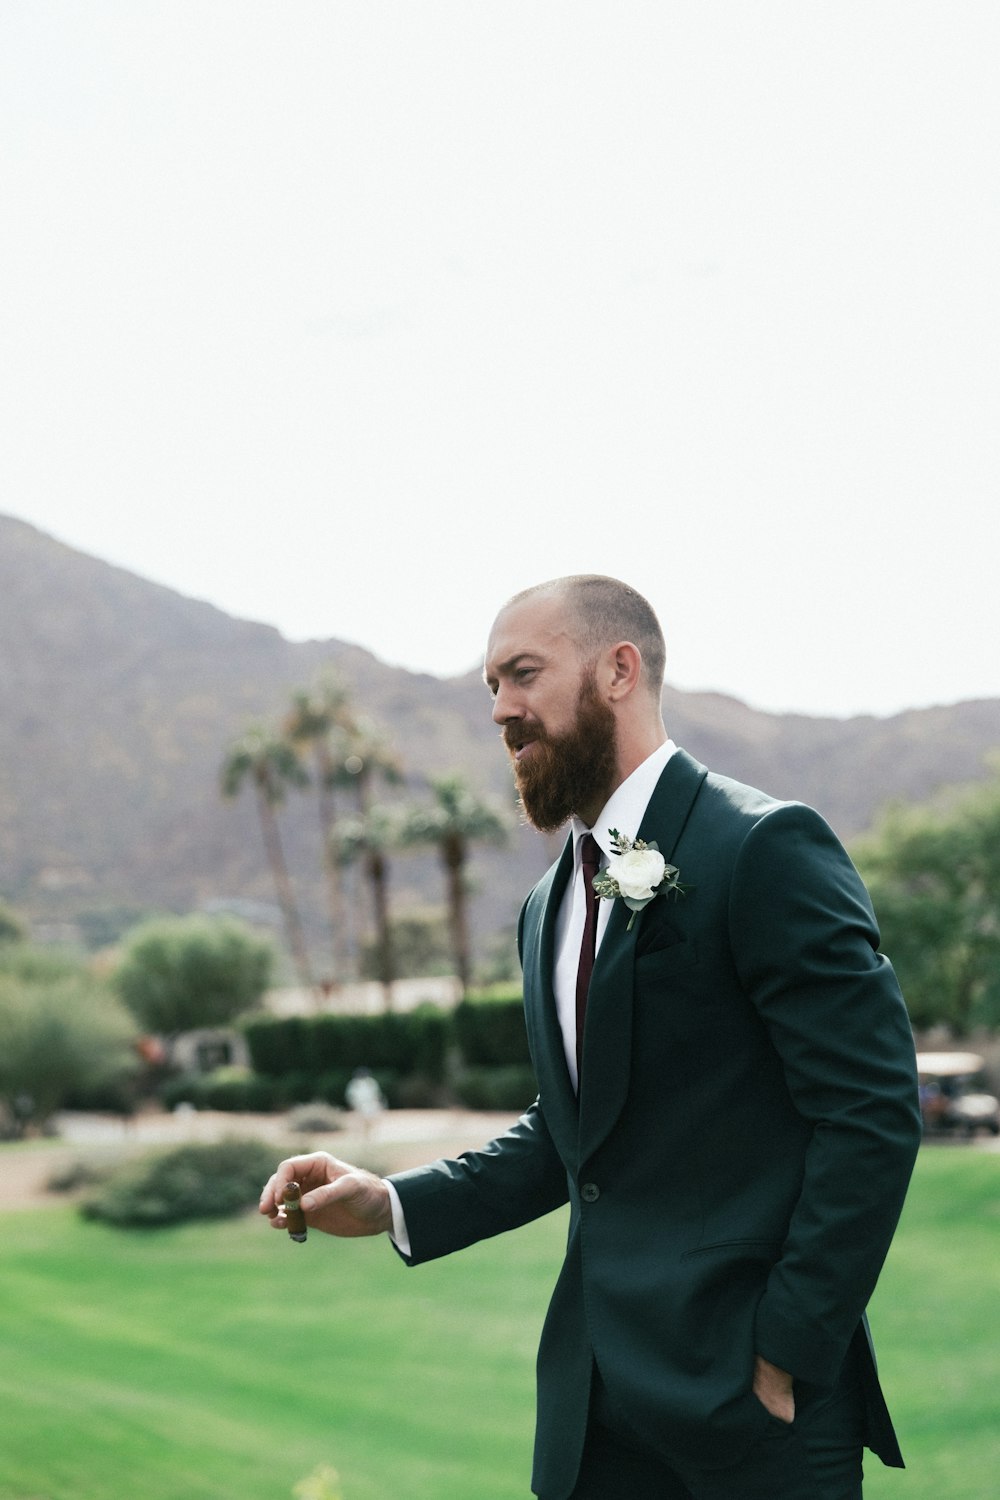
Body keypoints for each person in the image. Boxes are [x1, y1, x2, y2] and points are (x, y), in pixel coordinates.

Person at [260, 575, 921, 1500]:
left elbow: (872, 1113)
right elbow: (574, 1131)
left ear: (619, 669)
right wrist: (395, 1203)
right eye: (490, 687)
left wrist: (786, 1352)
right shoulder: (548, 903)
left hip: (751, 1408)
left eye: (523, 675)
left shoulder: (764, 848)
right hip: (593, 1414)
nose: (501, 711)